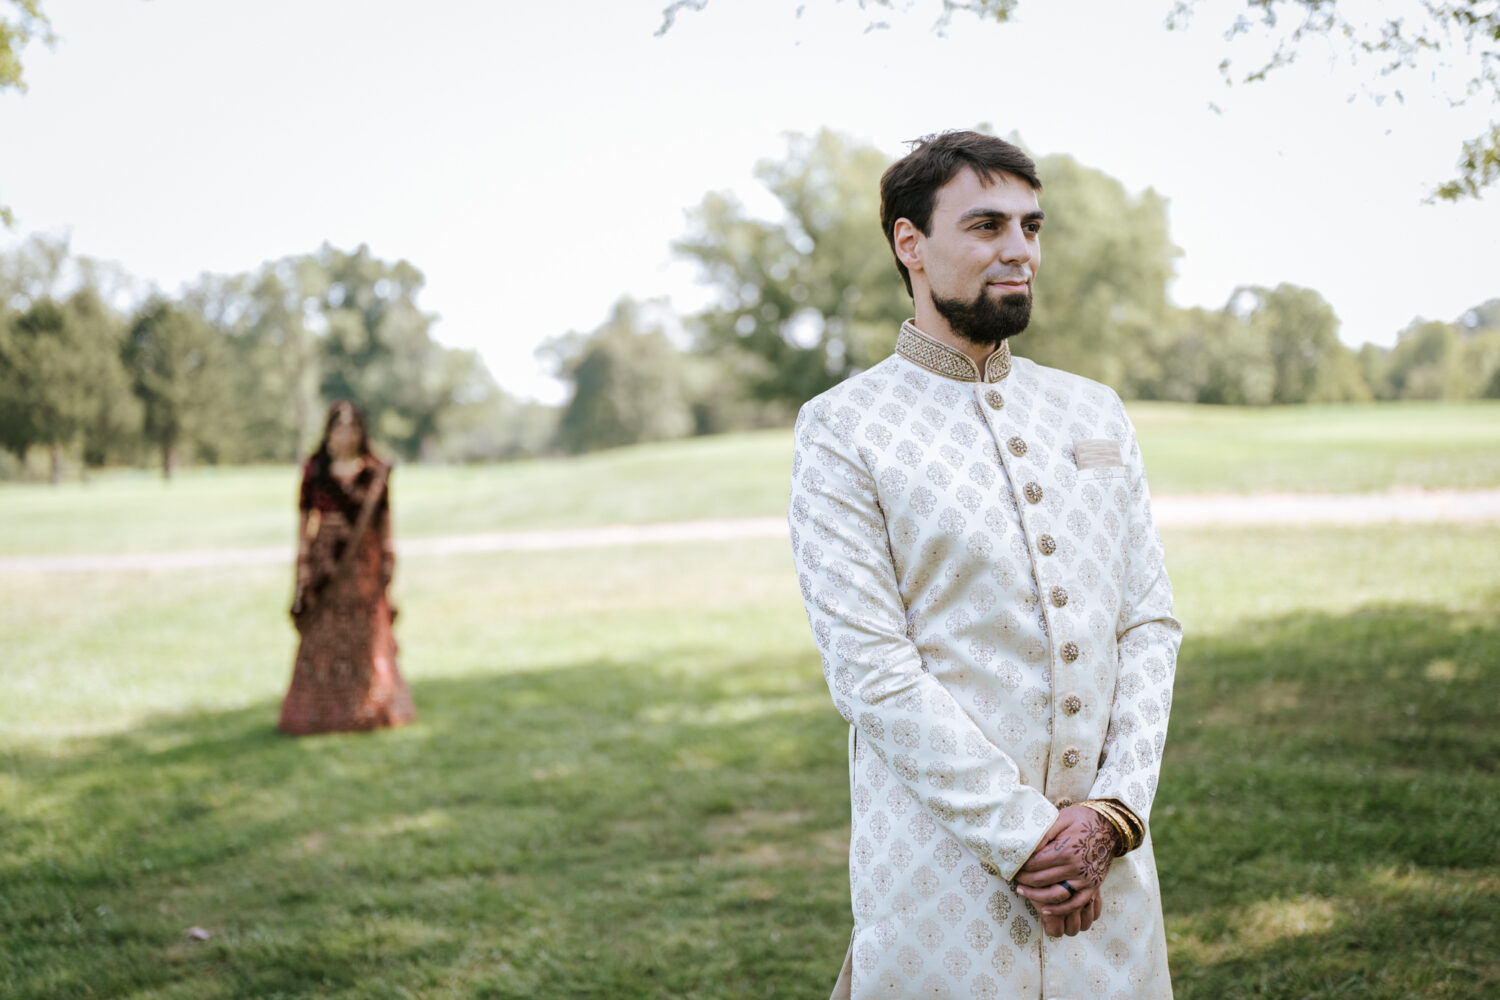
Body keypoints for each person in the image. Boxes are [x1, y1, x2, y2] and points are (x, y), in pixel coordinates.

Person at [788, 131, 1181, 999]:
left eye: (1031, 227)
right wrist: (1025, 840)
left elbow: (1148, 622)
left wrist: (1110, 816)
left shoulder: (1094, 410)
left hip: (1104, 872)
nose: (1020, 250)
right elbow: (871, 672)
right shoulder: (843, 429)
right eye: (987, 225)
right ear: (910, 245)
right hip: (940, 878)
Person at [279, 399, 416, 735]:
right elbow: (304, 518)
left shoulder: (375, 472)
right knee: (324, 637)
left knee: (363, 635)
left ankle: (368, 705)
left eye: (352, 427)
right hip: (325, 564)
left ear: (361, 431)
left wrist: (387, 561)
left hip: (363, 567)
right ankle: (318, 712)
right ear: (328, 432)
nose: (345, 434)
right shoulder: (315, 470)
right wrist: (304, 564)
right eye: (339, 427)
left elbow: (384, 523)